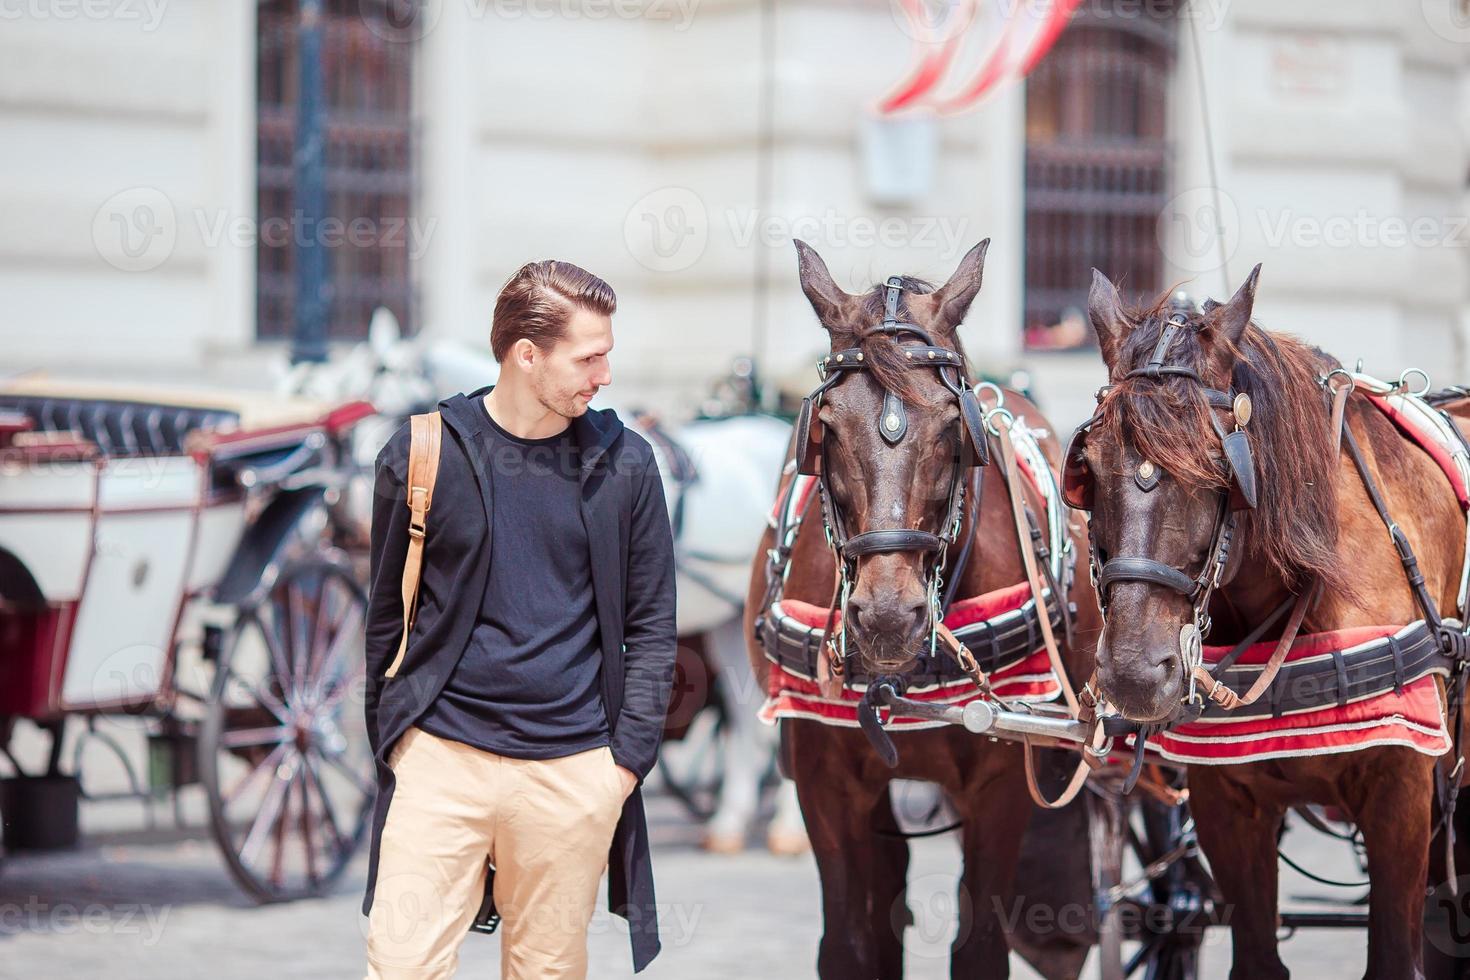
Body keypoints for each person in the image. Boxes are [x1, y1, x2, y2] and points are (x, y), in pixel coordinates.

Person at [360, 259, 677, 978]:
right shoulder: (422, 453)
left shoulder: (625, 464)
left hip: (573, 773)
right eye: (589, 358)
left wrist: (621, 767)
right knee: (399, 964)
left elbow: (654, 626)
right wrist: (397, 743)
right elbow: (385, 615)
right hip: (442, 757)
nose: (603, 377)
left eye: (607, 356)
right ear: (525, 355)